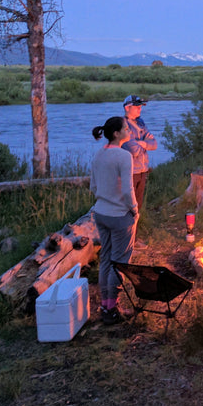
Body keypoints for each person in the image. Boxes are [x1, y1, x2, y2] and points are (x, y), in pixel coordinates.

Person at [90, 116, 139, 325]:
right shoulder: (124, 156)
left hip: (100, 213)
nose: (129, 130)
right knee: (119, 262)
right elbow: (128, 189)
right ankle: (112, 308)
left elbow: (93, 186)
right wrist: (134, 210)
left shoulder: (99, 154)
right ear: (117, 134)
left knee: (107, 259)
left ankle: (105, 305)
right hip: (120, 216)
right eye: (126, 128)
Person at [122, 94, 157, 212]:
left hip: (143, 170)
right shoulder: (123, 125)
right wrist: (144, 143)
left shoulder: (140, 122)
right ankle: (125, 228)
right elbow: (134, 151)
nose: (140, 109)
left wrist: (141, 143)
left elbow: (154, 144)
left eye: (140, 106)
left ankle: (135, 227)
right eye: (137, 106)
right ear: (127, 108)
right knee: (128, 205)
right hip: (130, 172)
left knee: (138, 205)